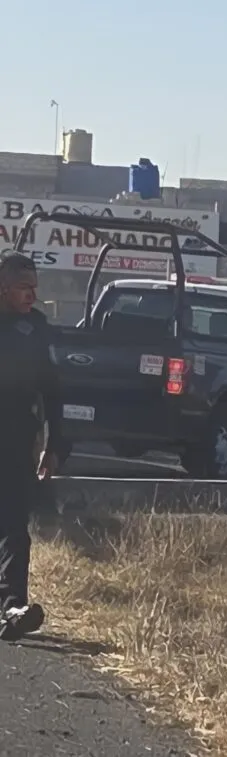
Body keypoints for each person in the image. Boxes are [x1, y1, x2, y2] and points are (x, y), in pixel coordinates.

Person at [0, 253, 63, 641]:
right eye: (25, 287)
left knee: (14, 525)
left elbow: (54, 389)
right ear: (4, 286)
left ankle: (12, 606)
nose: (33, 296)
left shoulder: (35, 329)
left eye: (36, 288)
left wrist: (55, 442)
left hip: (16, 436)